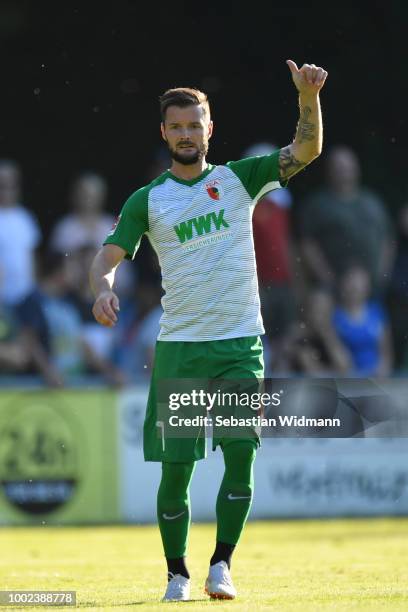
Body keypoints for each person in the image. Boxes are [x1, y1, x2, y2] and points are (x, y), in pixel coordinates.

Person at [89, 59, 328, 602]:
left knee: (240, 455)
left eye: (194, 125)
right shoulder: (147, 200)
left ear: (209, 129)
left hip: (241, 345)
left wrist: (307, 97)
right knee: (177, 471)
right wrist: (103, 286)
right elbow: (107, 256)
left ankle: (222, 565)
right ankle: (177, 573)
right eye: (176, 127)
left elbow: (306, 151)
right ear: (164, 133)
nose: (186, 134)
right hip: (180, 351)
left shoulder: (239, 179)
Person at [297, 145, 394, 296]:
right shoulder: (318, 205)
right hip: (331, 292)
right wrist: (327, 280)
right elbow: (307, 245)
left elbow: (388, 239)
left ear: (357, 168)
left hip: (373, 290)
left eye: (349, 167)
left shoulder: (373, 201)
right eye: (339, 167)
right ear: (329, 170)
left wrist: (381, 276)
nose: (345, 171)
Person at [242, 142, 298, 373]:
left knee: (285, 338)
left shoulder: (281, 200)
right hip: (257, 286)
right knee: (258, 339)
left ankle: (280, 386)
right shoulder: (243, 202)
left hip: (283, 283)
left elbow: (287, 243)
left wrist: (296, 280)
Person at [0, 159, 42, 307]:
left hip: (25, 296)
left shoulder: (26, 218)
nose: (7, 190)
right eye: (2, 185)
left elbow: (33, 256)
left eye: (11, 185)